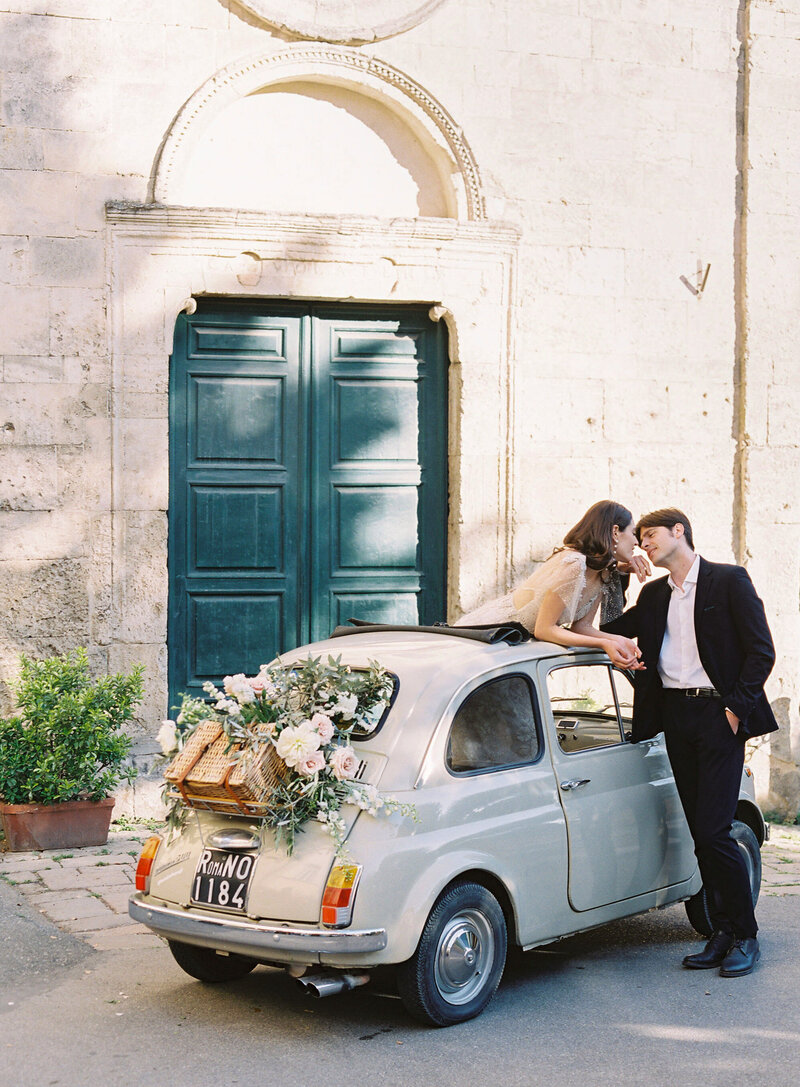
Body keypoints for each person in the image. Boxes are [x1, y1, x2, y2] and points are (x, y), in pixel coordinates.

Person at [602, 507, 778, 978]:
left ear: (679, 531)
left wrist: (734, 710)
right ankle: (721, 931)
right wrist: (614, 576)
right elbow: (611, 630)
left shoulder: (728, 580)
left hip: (719, 715)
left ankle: (745, 935)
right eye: (639, 538)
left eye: (651, 534)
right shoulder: (656, 593)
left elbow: (762, 650)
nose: (644, 544)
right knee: (701, 833)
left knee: (716, 831)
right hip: (676, 717)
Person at [457, 500, 649, 668]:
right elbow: (544, 629)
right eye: (633, 533)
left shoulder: (602, 572)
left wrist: (619, 641)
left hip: (512, 645)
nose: (636, 542)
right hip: (489, 634)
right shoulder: (574, 564)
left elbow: (582, 628)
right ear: (615, 531)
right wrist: (603, 645)